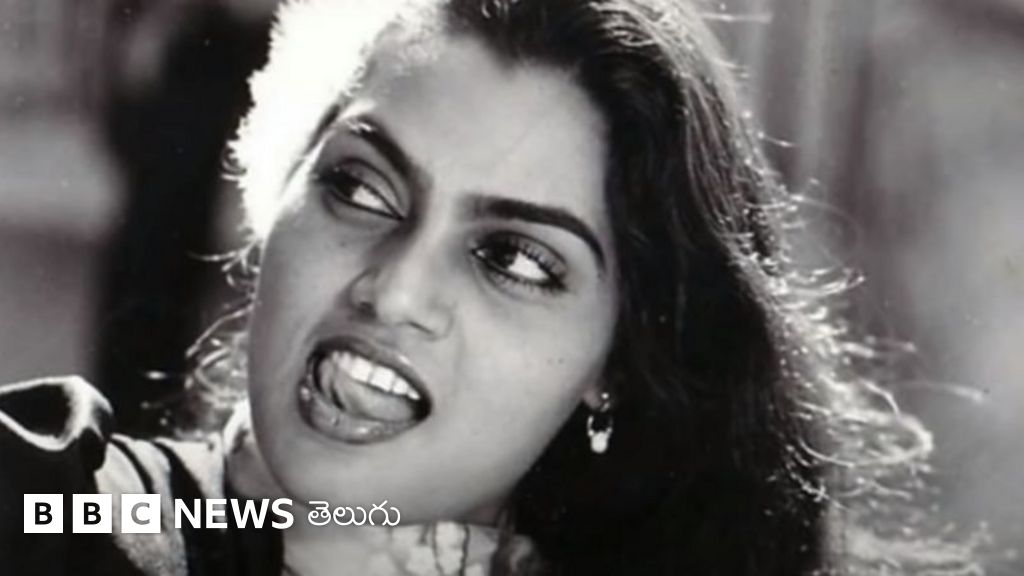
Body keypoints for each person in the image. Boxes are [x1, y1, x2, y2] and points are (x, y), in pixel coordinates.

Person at [0, 0, 980, 574]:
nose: (394, 292)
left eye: (513, 258)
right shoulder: (68, 508)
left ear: (615, 361)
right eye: (361, 188)